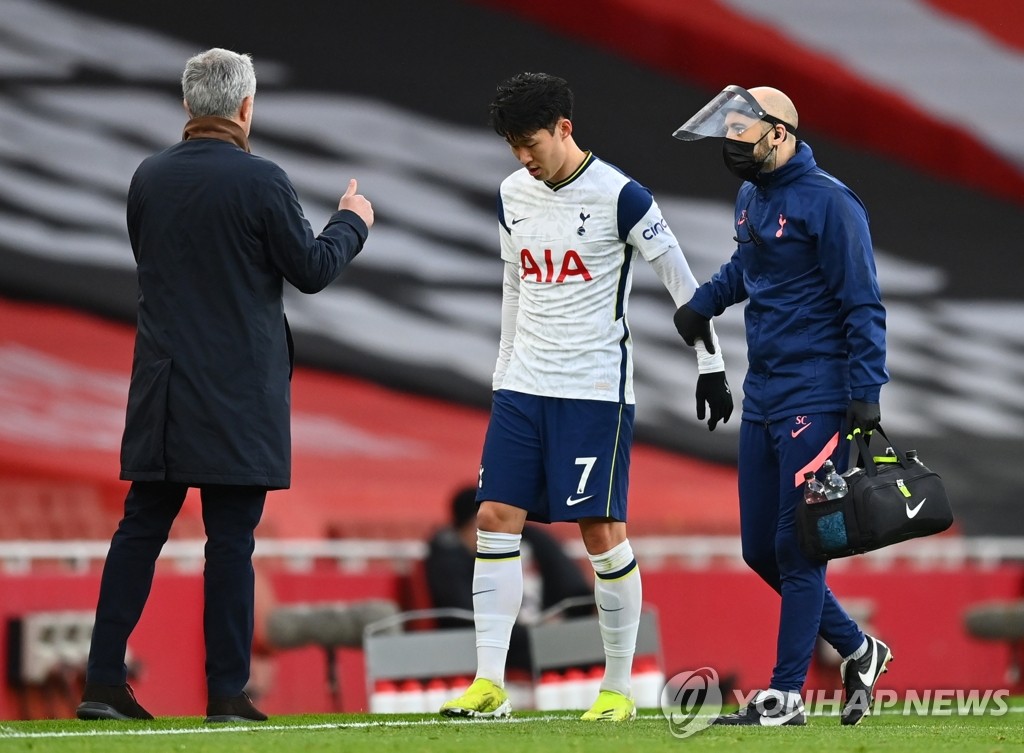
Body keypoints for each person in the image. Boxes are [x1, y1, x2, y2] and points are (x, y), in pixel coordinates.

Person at [76, 48, 373, 724]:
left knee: (140, 527)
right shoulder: (262, 180)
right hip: (237, 393)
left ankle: (102, 680)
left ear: (189, 104)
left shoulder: (148, 177)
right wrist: (351, 220)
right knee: (231, 541)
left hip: (162, 387)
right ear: (246, 108)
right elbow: (311, 269)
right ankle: (227, 693)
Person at [439, 72, 733, 723]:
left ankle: (618, 688)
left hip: (593, 392)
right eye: (513, 145)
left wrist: (710, 363)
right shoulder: (512, 195)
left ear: (564, 128)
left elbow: (683, 282)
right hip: (523, 387)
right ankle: (489, 683)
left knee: (601, 532)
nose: (523, 156)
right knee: (494, 518)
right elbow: (514, 286)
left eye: (531, 142)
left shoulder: (622, 197)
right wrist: (501, 374)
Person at [671, 85, 892, 726]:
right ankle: (860, 649)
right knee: (759, 550)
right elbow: (750, 266)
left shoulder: (831, 202)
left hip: (818, 393)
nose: (731, 146)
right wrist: (705, 302)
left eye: (741, 134)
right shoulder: (752, 194)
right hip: (765, 390)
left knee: (799, 548)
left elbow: (863, 303)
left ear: (780, 134)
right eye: (728, 135)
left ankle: (786, 696)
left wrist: (865, 395)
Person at [424, 485, 593, 671]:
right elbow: (462, 610)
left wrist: (571, 615)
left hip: (546, 631)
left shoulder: (535, 540)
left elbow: (572, 585)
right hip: (495, 645)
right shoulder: (448, 557)